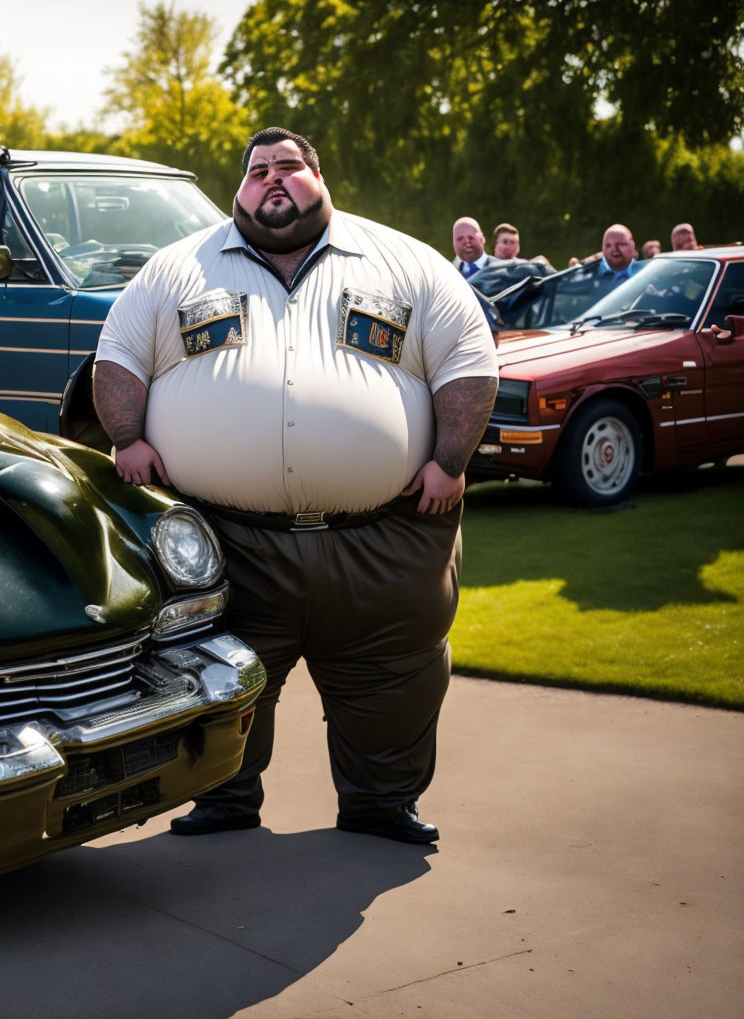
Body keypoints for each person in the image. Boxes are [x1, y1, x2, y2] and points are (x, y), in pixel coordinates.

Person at [93, 127, 498, 845]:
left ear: (320, 176)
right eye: (257, 171)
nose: (272, 180)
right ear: (238, 189)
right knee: (218, 675)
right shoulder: (175, 269)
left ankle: (381, 804)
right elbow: (118, 354)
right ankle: (223, 798)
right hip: (230, 542)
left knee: (394, 681)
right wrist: (127, 439)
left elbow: (468, 358)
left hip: (384, 537)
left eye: (289, 167)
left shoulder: (406, 261)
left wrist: (451, 457)